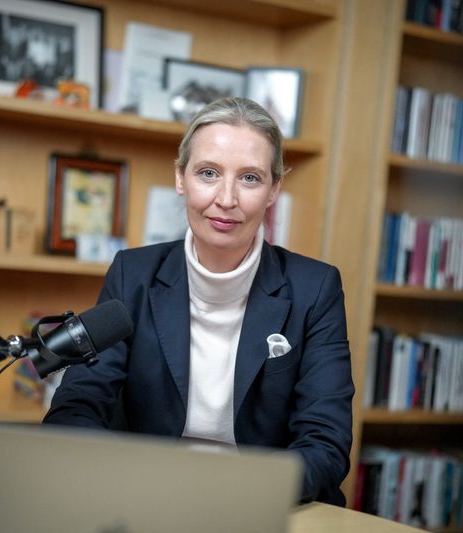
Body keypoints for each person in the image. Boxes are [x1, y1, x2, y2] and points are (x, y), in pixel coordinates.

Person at [44, 97, 354, 505]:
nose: (226, 198)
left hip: (261, 507)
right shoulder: (132, 274)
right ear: (180, 178)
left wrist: (233, 494)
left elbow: (326, 443)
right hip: (146, 500)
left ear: (274, 189)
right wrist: (131, 484)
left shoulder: (315, 288)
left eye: (250, 178)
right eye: (208, 173)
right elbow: (75, 408)